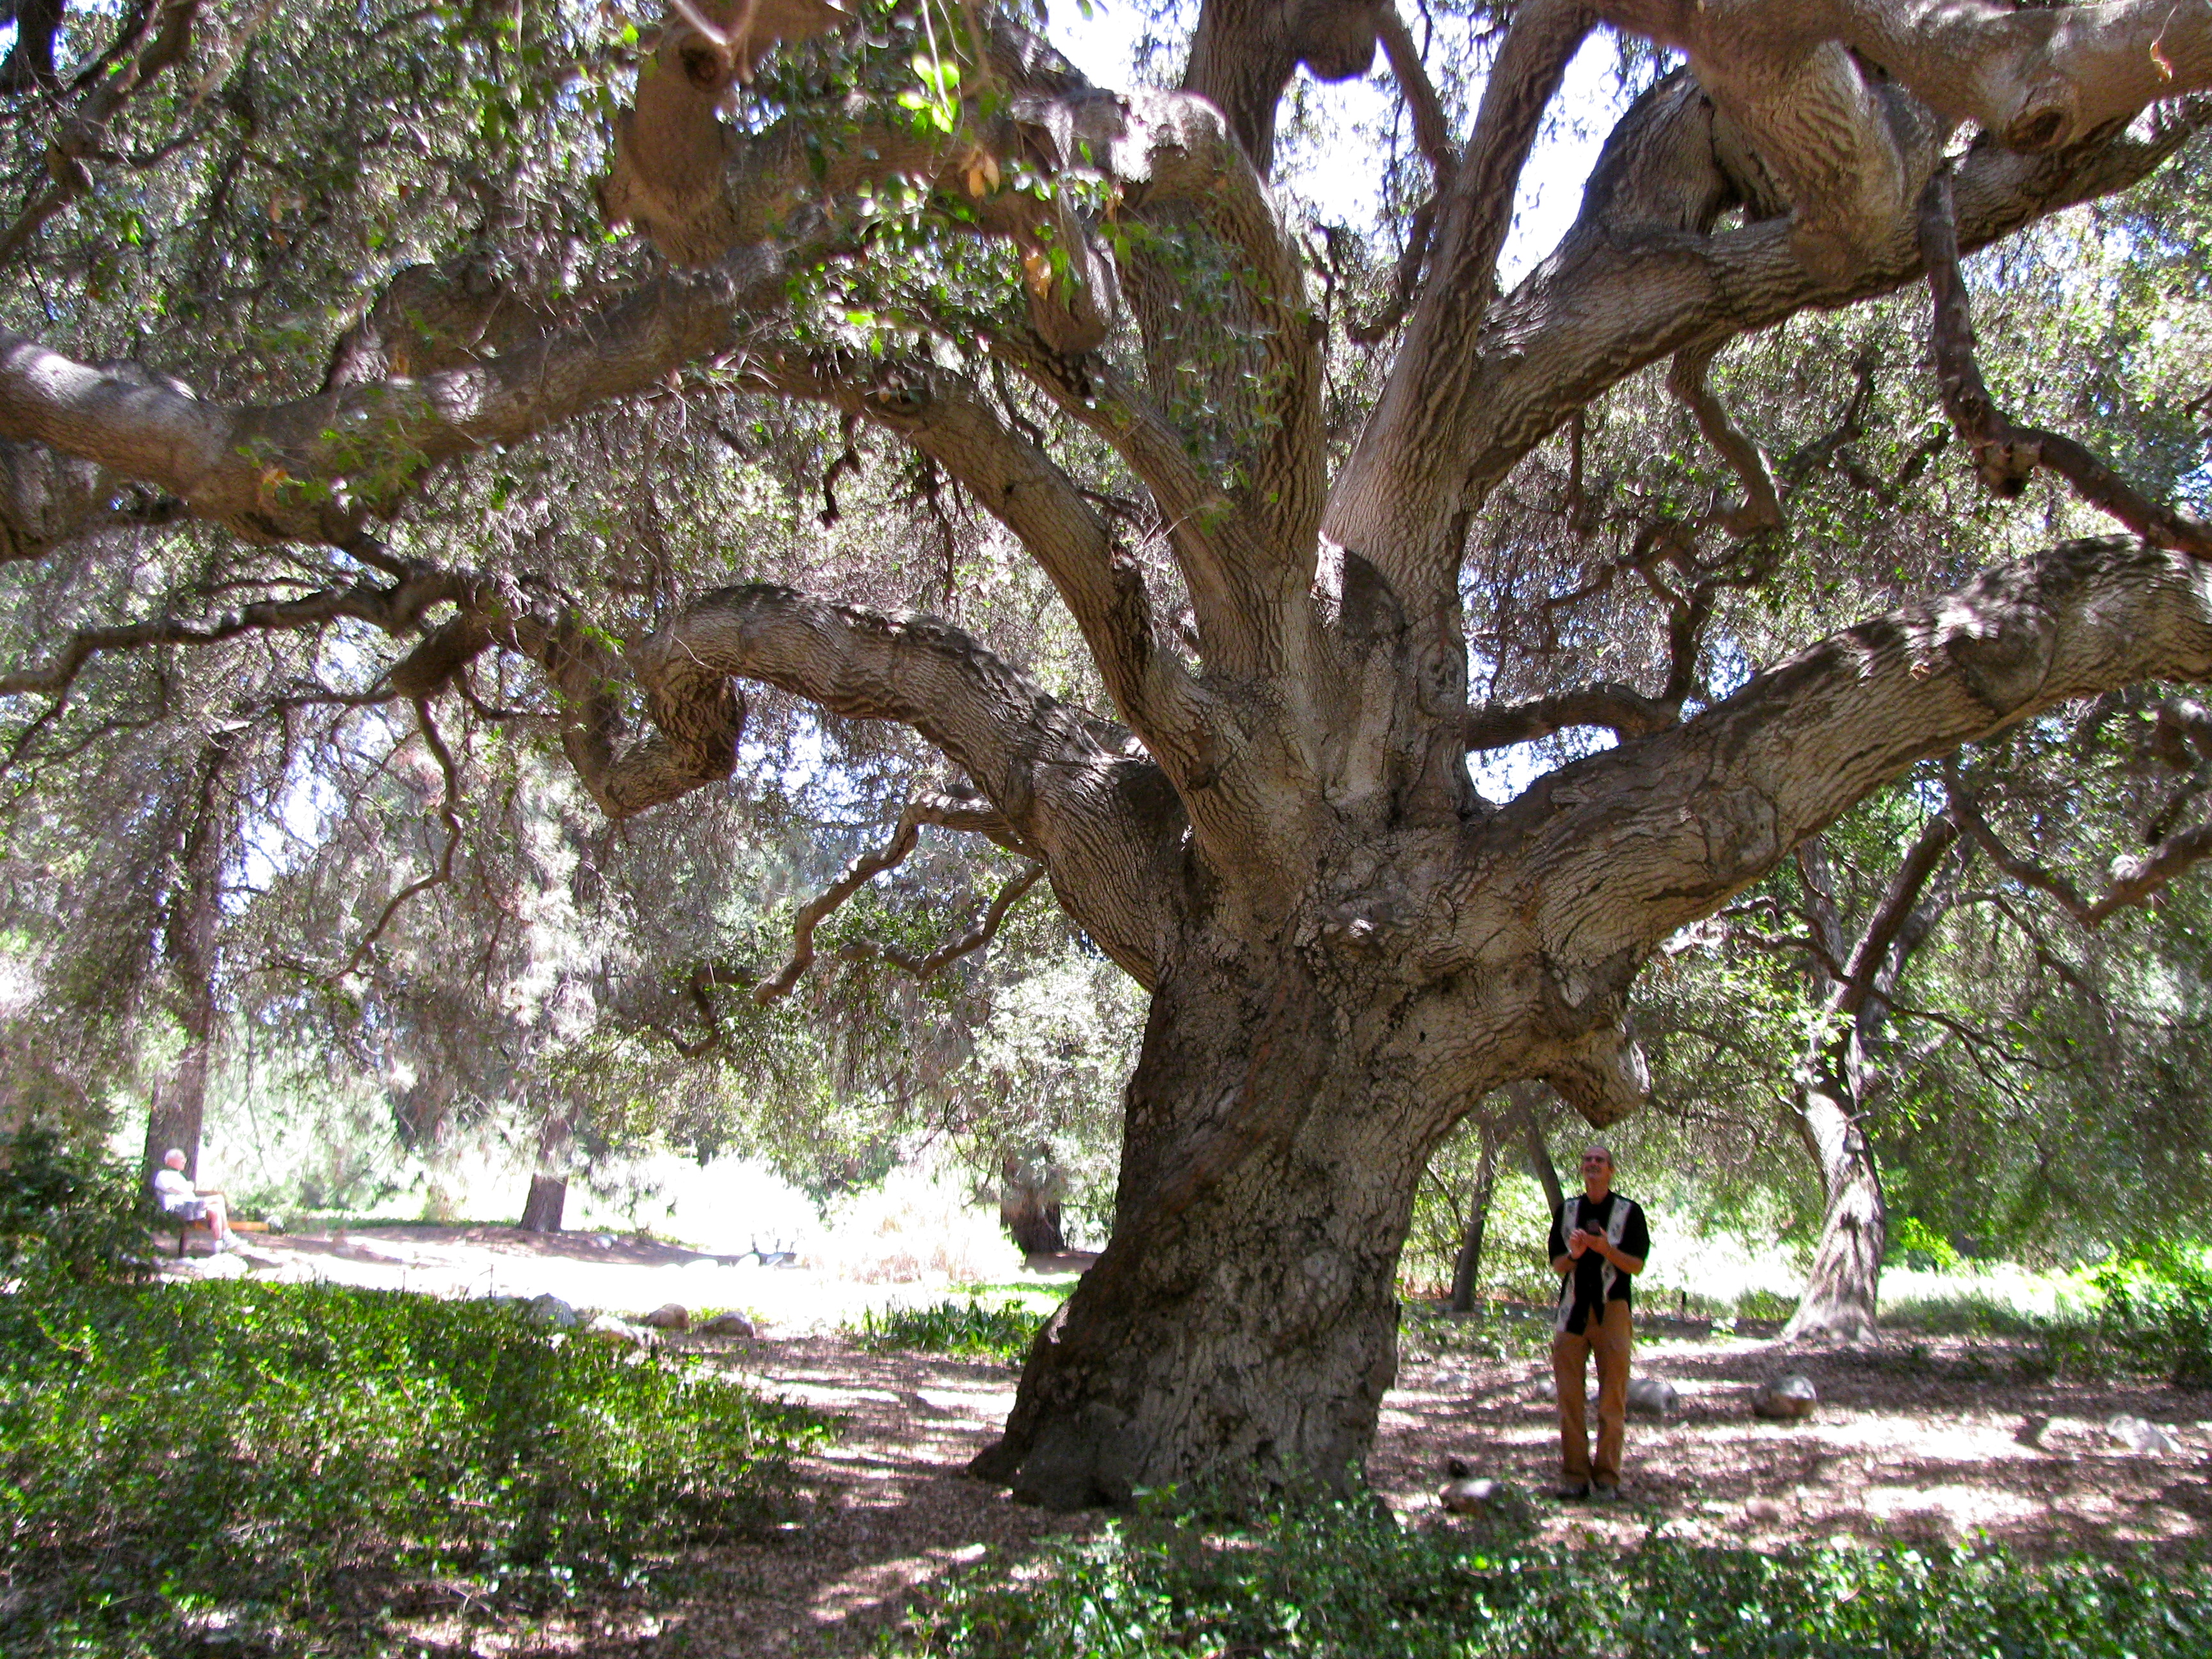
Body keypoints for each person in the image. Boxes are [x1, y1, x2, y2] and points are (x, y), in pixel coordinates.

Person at [1546, 1143, 1647, 1500]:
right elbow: (1557, 1265)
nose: (1593, 1164)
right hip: (1571, 1311)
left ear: (1611, 1170)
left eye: (1600, 1160)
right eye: (1587, 1159)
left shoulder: (1629, 1212)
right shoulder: (1568, 1211)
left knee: (1612, 1398)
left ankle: (1607, 1479)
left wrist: (1606, 1250)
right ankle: (1575, 1476)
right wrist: (1575, 1254)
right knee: (1570, 1398)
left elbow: (1636, 1265)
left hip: (1613, 1310)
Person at [150, 1148, 237, 1251]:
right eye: (181, 1158)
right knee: (218, 1198)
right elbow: (180, 1190)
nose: (184, 1161)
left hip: (189, 1206)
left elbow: (186, 1190)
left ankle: (219, 1246)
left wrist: (188, 1186)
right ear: (171, 1160)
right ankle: (228, 1234)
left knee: (215, 1210)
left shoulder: (178, 1176)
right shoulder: (163, 1175)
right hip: (179, 1208)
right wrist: (189, 1186)